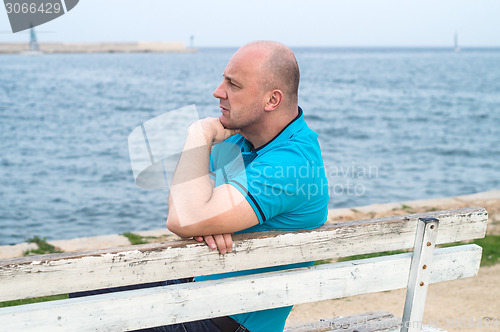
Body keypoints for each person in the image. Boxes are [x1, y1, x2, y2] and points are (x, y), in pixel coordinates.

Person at [163, 41, 330, 332]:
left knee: (91, 304)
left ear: (271, 101)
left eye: (233, 84)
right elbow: (186, 203)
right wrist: (203, 217)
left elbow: (184, 216)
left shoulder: (291, 164)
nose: (218, 91)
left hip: (229, 322)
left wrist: (199, 133)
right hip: (203, 296)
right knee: (99, 288)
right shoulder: (240, 142)